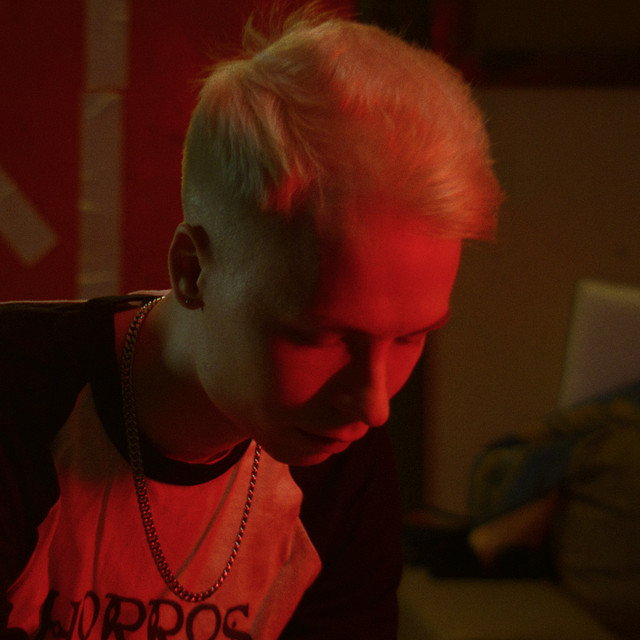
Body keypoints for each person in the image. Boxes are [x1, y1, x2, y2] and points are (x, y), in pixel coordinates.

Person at [0, 7, 501, 639]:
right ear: (192, 272)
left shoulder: (338, 454)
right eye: (321, 335)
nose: (375, 405)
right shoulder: (18, 405)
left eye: (411, 336)